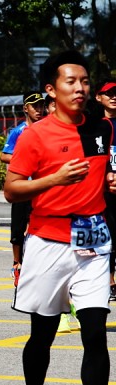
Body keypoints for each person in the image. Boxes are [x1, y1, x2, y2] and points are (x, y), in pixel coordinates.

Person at [4, 50, 113, 385]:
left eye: (85, 81)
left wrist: (109, 181)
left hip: (94, 241)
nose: (80, 88)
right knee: (43, 333)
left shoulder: (102, 128)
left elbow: (100, 174)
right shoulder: (35, 135)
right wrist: (54, 179)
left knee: (95, 334)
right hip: (48, 241)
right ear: (51, 89)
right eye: (71, 81)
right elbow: (11, 190)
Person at [0, 91, 45, 283]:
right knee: (18, 227)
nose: (39, 110)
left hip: (42, 187)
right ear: (26, 108)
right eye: (35, 106)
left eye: (41, 105)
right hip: (22, 186)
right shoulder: (18, 131)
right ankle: (16, 262)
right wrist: (25, 161)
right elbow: (4, 155)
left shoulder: (48, 129)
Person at [96, 79, 116, 302]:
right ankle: (109, 281)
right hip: (103, 194)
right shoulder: (96, 127)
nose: (114, 97)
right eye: (109, 93)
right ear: (98, 97)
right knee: (107, 238)